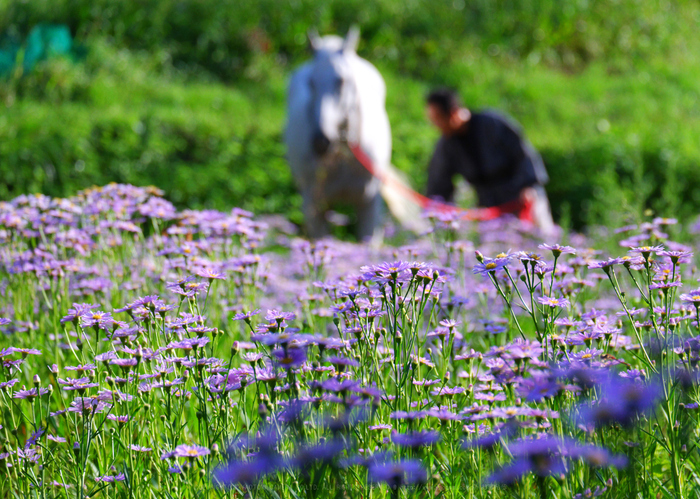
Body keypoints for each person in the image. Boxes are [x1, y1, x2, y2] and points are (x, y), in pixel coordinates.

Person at [425, 88, 554, 233]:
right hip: (490, 206)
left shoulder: (492, 123)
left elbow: (523, 153)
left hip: (523, 196)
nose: (436, 125)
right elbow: (439, 182)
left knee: (541, 240)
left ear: (453, 113)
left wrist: (528, 185)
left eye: (438, 119)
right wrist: (436, 209)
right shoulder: (446, 144)